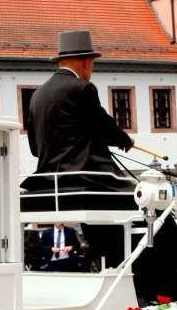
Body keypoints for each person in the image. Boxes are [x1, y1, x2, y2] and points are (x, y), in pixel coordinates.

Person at [22, 30, 134, 267]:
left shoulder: (37, 95)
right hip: (86, 176)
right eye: (92, 65)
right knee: (145, 199)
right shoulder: (82, 88)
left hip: (48, 181)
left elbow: (34, 148)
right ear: (86, 62)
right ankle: (134, 265)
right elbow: (103, 124)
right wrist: (124, 139)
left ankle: (103, 258)